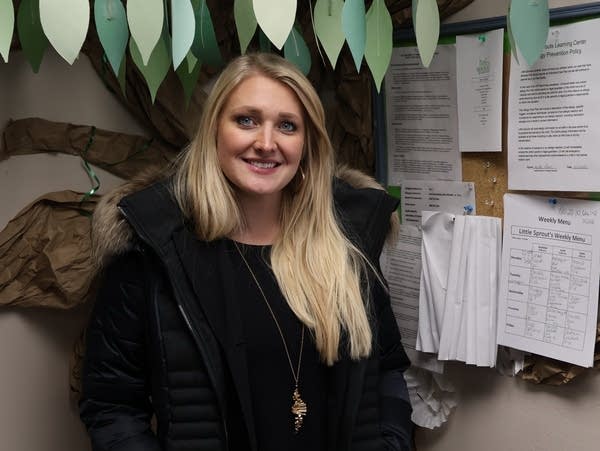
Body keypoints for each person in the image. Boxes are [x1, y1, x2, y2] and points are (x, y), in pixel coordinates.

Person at [79, 52, 413, 451]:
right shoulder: (153, 244)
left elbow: (389, 371)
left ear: (306, 146)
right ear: (214, 131)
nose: (266, 143)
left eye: (287, 126)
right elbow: (111, 404)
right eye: (246, 120)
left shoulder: (348, 240)